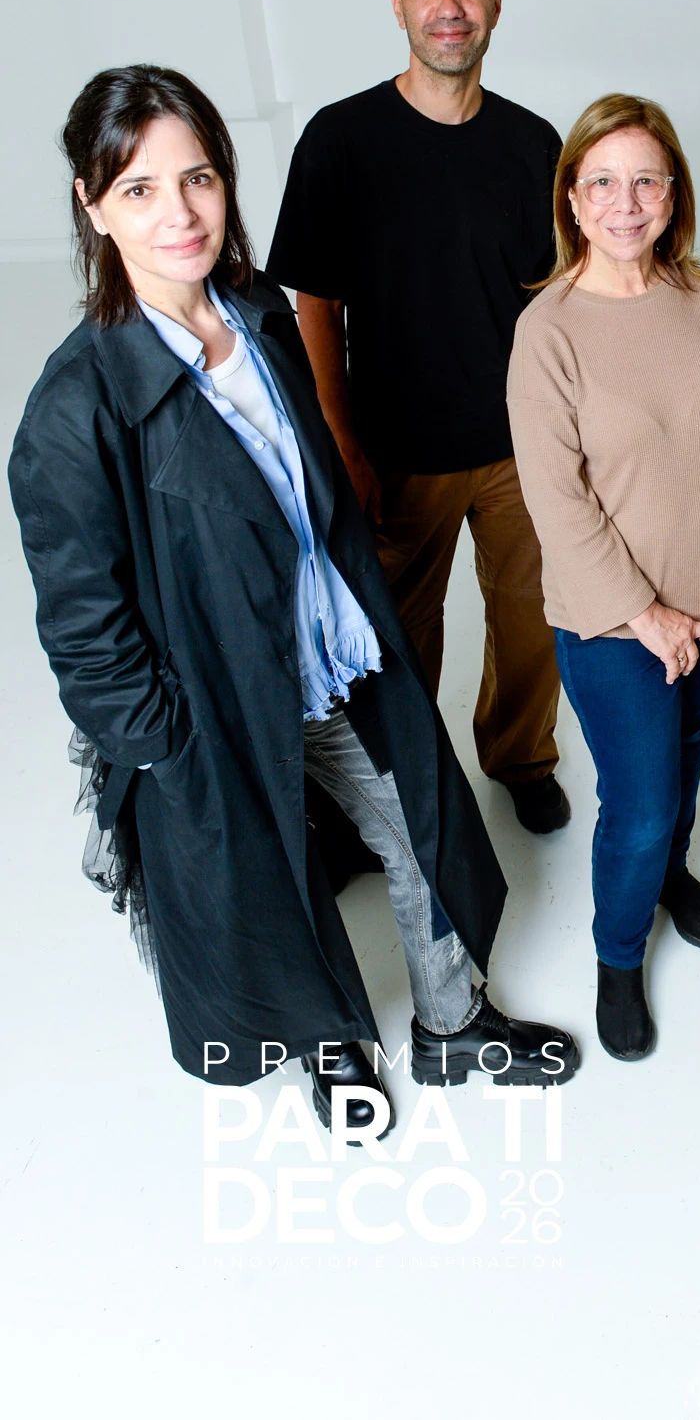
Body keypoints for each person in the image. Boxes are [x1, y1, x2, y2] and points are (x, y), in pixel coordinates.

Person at [9, 66, 581, 1133]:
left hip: (330, 656)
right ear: (91, 205)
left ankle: (453, 1029)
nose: (177, 213)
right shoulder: (73, 411)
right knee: (271, 887)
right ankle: (330, 1055)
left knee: (420, 825)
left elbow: (306, 489)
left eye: (199, 179)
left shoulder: (259, 310)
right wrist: (179, 755)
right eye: (137, 189)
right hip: (215, 701)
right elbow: (85, 637)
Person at [266, 0, 568, 835]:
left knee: (531, 622)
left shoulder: (534, 145)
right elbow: (315, 301)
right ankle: (393, 788)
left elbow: (561, 302)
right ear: (396, 2)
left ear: (497, 3)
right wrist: (340, 439)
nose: (450, 5)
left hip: (521, 445)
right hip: (394, 449)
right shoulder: (341, 141)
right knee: (395, 638)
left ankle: (520, 757)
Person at [507, 94, 700, 1060]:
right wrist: (645, 615)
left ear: (673, 195)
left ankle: (672, 877)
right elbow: (559, 504)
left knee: (679, 764)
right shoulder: (547, 332)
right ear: (573, 200)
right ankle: (619, 957)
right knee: (638, 803)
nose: (626, 203)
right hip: (611, 627)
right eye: (603, 182)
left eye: (646, 180)